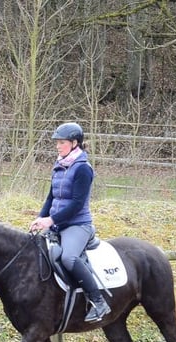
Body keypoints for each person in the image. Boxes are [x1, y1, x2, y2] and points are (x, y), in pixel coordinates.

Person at [29, 121, 111, 322]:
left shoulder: (83, 169)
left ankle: (98, 302)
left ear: (75, 143)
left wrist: (51, 220)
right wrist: (41, 218)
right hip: (57, 223)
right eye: (57, 143)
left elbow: (76, 204)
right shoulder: (59, 165)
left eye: (62, 143)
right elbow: (51, 198)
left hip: (78, 225)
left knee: (69, 258)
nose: (58, 146)